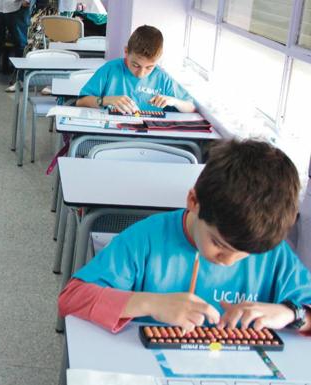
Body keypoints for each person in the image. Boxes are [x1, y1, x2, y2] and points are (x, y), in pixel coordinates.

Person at [58, 139, 311, 334]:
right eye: (218, 244)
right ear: (193, 201)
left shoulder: (273, 254)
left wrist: (292, 314)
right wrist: (150, 304)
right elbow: (72, 298)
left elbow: (302, 311)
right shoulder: (147, 239)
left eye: (244, 255)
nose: (228, 262)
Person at [76, 25, 195, 114]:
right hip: (111, 137)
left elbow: (191, 107)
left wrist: (173, 101)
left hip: (148, 141)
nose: (141, 73)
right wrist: (107, 100)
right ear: (126, 52)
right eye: (136, 65)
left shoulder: (163, 78)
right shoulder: (110, 69)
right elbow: (81, 102)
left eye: (149, 67)